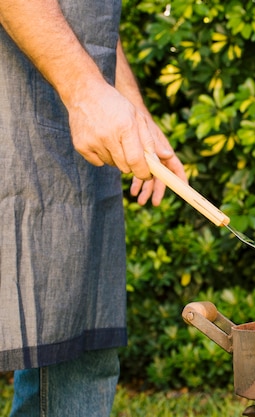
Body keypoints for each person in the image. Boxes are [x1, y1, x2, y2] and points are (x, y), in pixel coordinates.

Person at [0, 0, 187, 415]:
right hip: (16, 112)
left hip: (75, 113)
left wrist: (129, 107)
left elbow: (86, 12)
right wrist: (83, 89)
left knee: (77, 326)